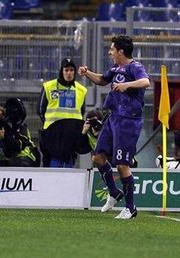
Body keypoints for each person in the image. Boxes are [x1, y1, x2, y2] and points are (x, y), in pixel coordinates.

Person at [78, 35, 150, 219]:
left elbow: (145, 82)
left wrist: (126, 85)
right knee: (98, 157)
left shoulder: (135, 67)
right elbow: (102, 80)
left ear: (120, 51)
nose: (109, 52)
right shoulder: (116, 68)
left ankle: (131, 208)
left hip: (128, 121)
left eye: (112, 49)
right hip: (113, 118)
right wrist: (87, 73)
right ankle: (114, 192)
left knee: (122, 164)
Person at [37, 58, 87, 167]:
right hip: (53, 136)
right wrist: (52, 128)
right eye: (66, 70)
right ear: (61, 71)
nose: (69, 73)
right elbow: (40, 110)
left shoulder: (81, 90)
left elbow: (81, 112)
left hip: (71, 136)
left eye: (71, 70)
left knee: (69, 167)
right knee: (52, 167)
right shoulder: (49, 86)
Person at [0, 101, 39, 167]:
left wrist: (4, 137)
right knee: (0, 164)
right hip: (2, 166)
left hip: (24, 162)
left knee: (13, 162)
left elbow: (16, 148)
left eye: (0, 120)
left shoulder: (17, 127)